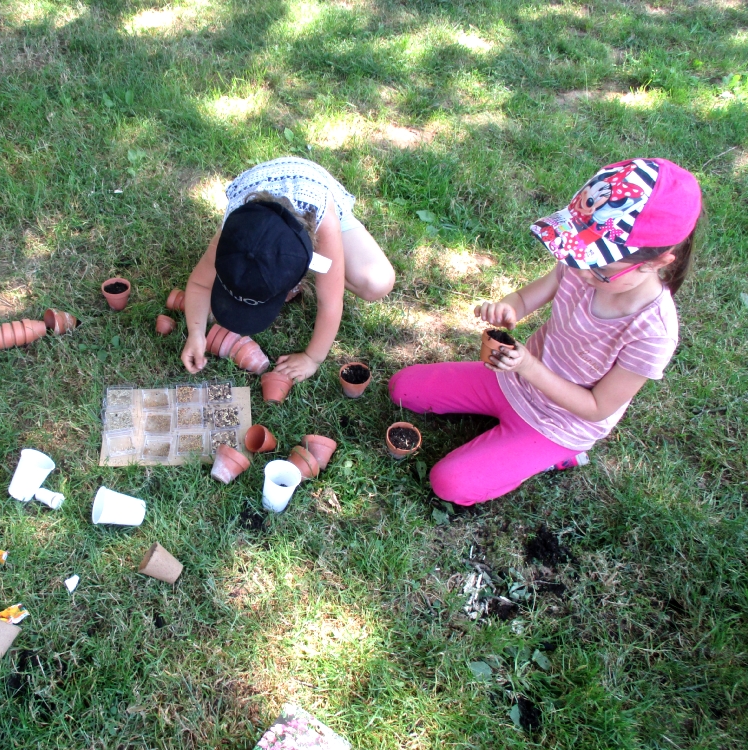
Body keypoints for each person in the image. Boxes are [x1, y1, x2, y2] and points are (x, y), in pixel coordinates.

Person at [388, 158, 702, 505]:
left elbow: (597, 406)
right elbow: (527, 297)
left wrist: (528, 366)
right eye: (580, 258)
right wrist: (509, 307)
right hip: (510, 382)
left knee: (449, 483)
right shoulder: (582, 264)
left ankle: (554, 456)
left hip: (559, 424)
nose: (582, 272)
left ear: (657, 262)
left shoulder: (653, 332)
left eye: (601, 270)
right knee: (402, 389)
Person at [180, 156, 395, 382]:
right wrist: (196, 333)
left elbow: (330, 302)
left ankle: (308, 268)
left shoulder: (324, 222)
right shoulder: (235, 231)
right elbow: (199, 283)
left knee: (376, 283)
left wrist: (312, 358)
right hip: (264, 193)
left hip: (314, 193)